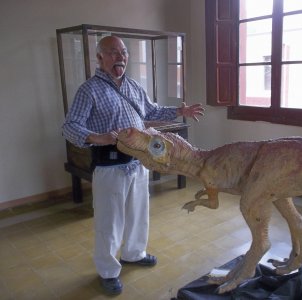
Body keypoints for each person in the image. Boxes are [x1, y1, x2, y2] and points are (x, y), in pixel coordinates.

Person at [62, 35, 204, 295]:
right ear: (100, 57)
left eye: (123, 52)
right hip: (109, 166)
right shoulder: (89, 89)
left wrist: (178, 112)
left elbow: (150, 111)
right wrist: (96, 137)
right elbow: (70, 126)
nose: (120, 56)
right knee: (110, 222)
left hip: (139, 163)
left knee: (139, 214)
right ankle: (107, 270)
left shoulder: (134, 87)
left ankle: (134, 253)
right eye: (113, 52)